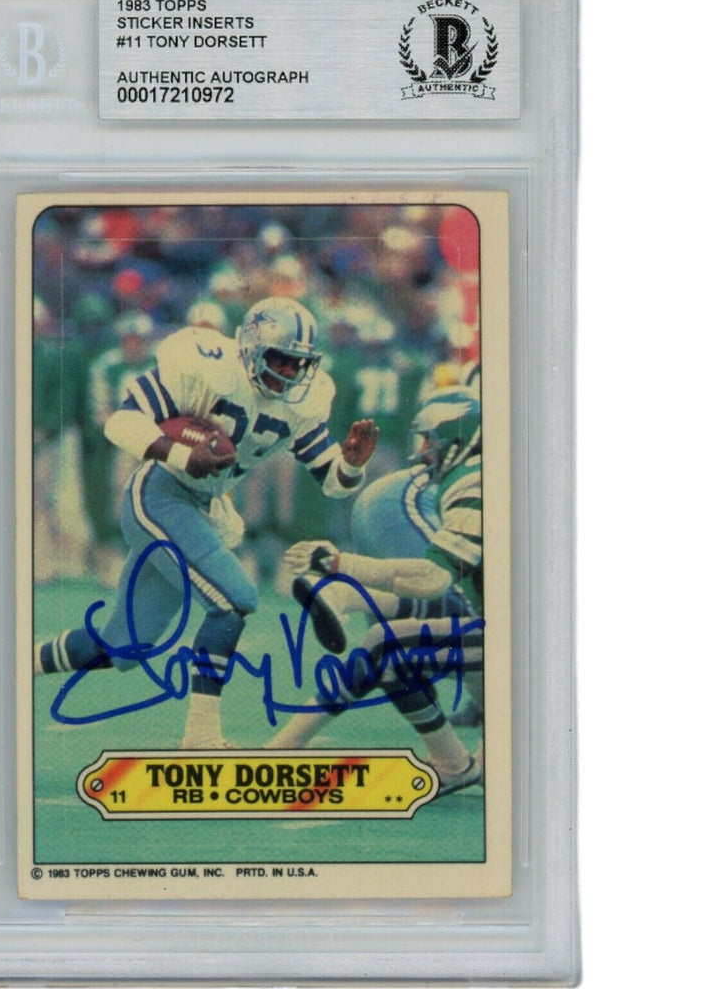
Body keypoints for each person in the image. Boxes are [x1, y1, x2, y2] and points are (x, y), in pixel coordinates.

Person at [35, 297, 379, 748]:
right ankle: (201, 735)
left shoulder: (301, 403)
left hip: (203, 508)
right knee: (235, 598)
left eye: (298, 363)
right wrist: (182, 455)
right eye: (279, 359)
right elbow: (121, 422)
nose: (289, 372)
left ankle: (20, 664)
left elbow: (332, 480)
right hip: (160, 494)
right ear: (252, 346)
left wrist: (351, 464)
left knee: (123, 646)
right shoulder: (209, 367)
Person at [268, 384, 484, 795]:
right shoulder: (472, 477)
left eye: (431, 440)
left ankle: (282, 748)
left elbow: (431, 580)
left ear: (457, 438)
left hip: (518, 644)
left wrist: (338, 564)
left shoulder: (474, 482)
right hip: (500, 630)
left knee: (387, 644)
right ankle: (454, 762)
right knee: (390, 641)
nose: (423, 451)